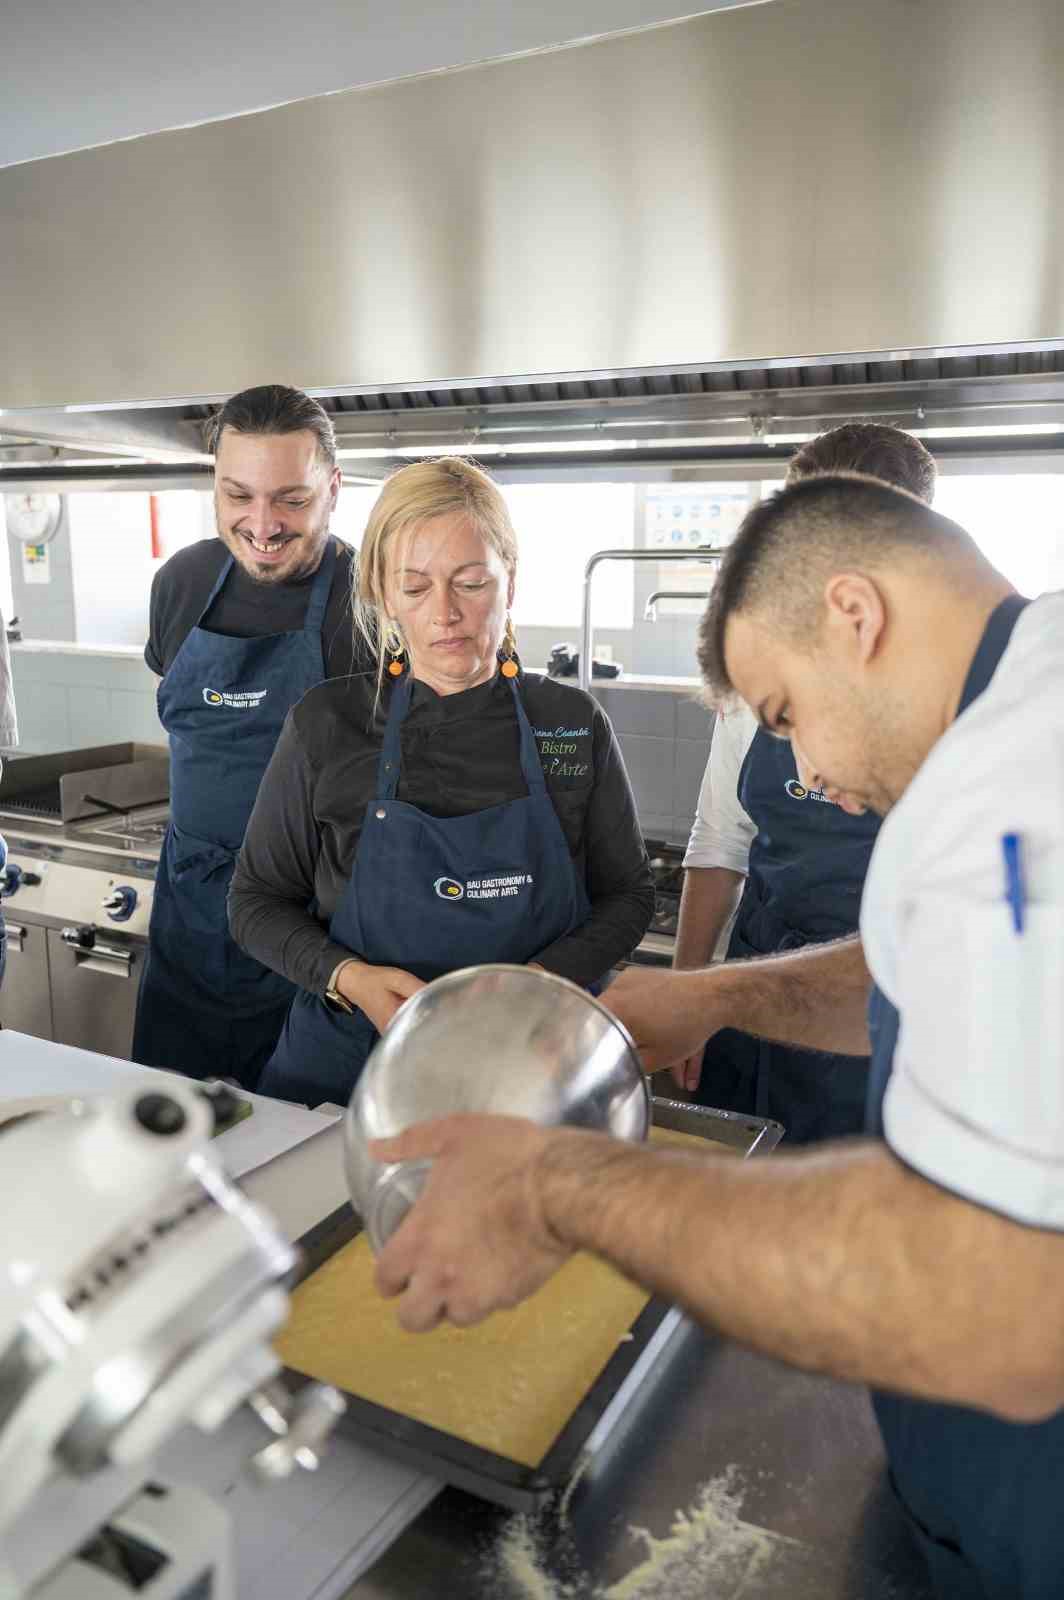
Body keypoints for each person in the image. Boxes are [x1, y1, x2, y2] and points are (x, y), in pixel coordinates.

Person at [369, 475, 1064, 1600]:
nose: (797, 771)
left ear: (853, 614)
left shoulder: (1011, 788)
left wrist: (557, 1183)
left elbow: (988, 1296)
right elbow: (939, 971)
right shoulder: (1026, 708)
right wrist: (719, 996)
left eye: (782, 710)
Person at [230, 456, 654, 1109]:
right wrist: (348, 977)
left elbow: (627, 897)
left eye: (472, 581)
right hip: (351, 1078)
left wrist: (540, 984)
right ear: (380, 591)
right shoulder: (327, 724)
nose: (446, 613)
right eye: (416, 586)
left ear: (511, 580)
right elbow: (255, 901)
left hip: (533, 1074)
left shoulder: (569, 725)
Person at [676, 422, 936, 1142]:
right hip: (750, 995)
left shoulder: (958, 703)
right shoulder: (759, 666)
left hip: (882, 1019)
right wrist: (692, 996)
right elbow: (721, 839)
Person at [133, 385, 364, 1090]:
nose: (262, 525)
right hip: (189, 928)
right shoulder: (181, 583)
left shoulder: (373, 600)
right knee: (171, 1151)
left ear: (333, 488)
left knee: (299, 1169)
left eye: (290, 500)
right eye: (239, 496)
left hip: (308, 944)